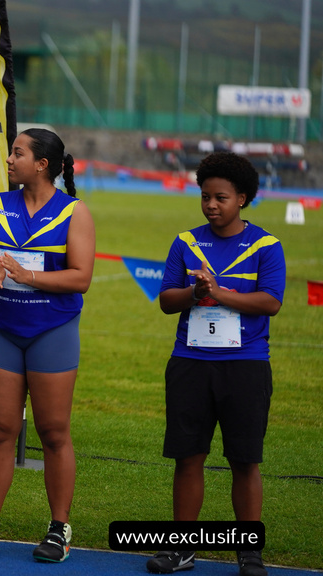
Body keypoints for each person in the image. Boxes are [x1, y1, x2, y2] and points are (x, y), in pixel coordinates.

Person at [146, 152, 284, 576]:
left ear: (242, 198)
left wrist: (218, 293)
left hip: (245, 365)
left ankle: (249, 552)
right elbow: (167, 299)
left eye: (220, 197)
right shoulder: (186, 242)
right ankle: (182, 548)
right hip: (190, 362)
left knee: (244, 460)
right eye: (205, 196)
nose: (210, 205)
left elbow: (270, 302)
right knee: (189, 457)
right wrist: (194, 293)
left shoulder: (266, 245)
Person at [0, 128, 95, 562]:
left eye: (17, 153)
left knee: (53, 433)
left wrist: (27, 276)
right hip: (2, 328)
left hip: (51, 332)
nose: (9, 159)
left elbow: (81, 278)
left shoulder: (75, 213)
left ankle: (59, 529)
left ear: (42, 164)